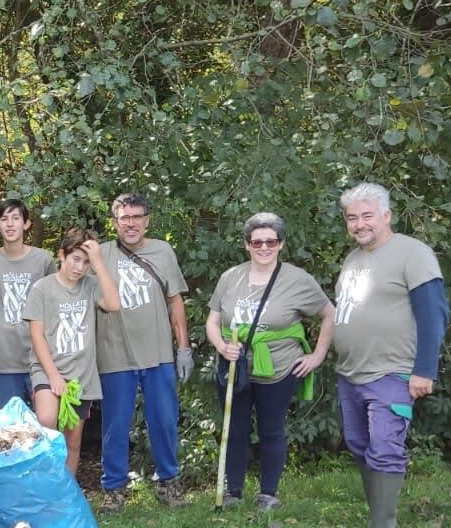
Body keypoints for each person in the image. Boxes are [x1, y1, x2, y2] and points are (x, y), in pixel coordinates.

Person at [331, 183, 449, 528]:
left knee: (385, 446)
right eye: (352, 217)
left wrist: (424, 370)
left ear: (386, 215)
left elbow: (434, 314)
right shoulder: (353, 259)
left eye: (367, 215)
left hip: (393, 371)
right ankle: (376, 516)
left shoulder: (412, 254)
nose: (359, 223)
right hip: (351, 372)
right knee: (359, 443)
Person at [204, 212, 335, 510]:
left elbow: (330, 314)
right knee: (235, 428)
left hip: (279, 367)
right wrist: (223, 347)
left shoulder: (298, 279)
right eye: (257, 241)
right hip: (235, 367)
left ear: (280, 244)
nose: (264, 247)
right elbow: (212, 321)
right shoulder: (231, 277)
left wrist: (317, 355)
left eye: (271, 241)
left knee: (271, 429)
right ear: (247, 245)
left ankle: (268, 494)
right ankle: (233, 492)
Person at [96, 192, 193, 508]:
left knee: (164, 420)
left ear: (147, 220)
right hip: (114, 355)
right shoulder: (101, 254)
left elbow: (175, 300)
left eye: (137, 217)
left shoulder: (163, 251)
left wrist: (184, 348)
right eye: (125, 218)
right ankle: (114, 489)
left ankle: (169, 483)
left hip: (159, 353)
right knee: (115, 425)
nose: (131, 223)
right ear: (115, 222)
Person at [24, 228, 120, 477]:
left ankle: (67, 495)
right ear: (62, 255)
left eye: (86, 262)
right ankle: (42, 486)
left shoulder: (90, 285)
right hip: (48, 369)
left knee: (73, 440)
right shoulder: (42, 289)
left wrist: (98, 264)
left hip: (81, 375)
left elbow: (113, 304)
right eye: (76, 259)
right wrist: (53, 375)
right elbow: (37, 335)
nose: (80, 267)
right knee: (46, 421)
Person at [0, 198, 55, 408]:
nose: (10, 224)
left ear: (26, 224)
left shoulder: (44, 260)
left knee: (45, 425)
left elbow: (54, 304)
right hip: (4, 358)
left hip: (40, 358)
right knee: (7, 428)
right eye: (4, 219)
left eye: (16, 218)